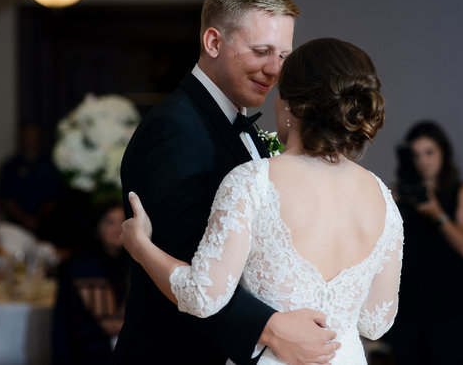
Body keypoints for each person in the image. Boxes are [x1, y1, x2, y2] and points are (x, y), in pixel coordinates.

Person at [121, 37, 403, 365]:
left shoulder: (253, 181)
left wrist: (141, 246)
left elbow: (202, 296)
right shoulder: (383, 198)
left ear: (290, 105)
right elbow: (375, 322)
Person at [114, 0, 341, 365]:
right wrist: (271, 328)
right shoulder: (173, 130)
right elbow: (187, 264)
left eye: (283, 56)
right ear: (213, 42)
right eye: (261, 51)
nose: (274, 70)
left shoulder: (234, 121)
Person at [385, 120, 463, 364]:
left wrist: (438, 214)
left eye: (429, 152)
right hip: (408, 303)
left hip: (449, 305)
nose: (423, 161)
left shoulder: (462, 193)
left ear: (443, 153)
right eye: (416, 155)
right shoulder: (401, 195)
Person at [53, 200, 129, 365]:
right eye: (110, 222)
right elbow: (110, 323)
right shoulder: (85, 265)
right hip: (88, 353)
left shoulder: (123, 263)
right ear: (96, 227)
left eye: (123, 221)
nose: (118, 228)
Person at [0, 123, 61, 239]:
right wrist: (24, 219)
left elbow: (54, 196)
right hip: (16, 225)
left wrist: (37, 219)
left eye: (34, 137)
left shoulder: (50, 165)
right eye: (28, 137)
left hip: (46, 225)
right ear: (22, 139)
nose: (31, 141)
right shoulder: (10, 166)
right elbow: (6, 198)